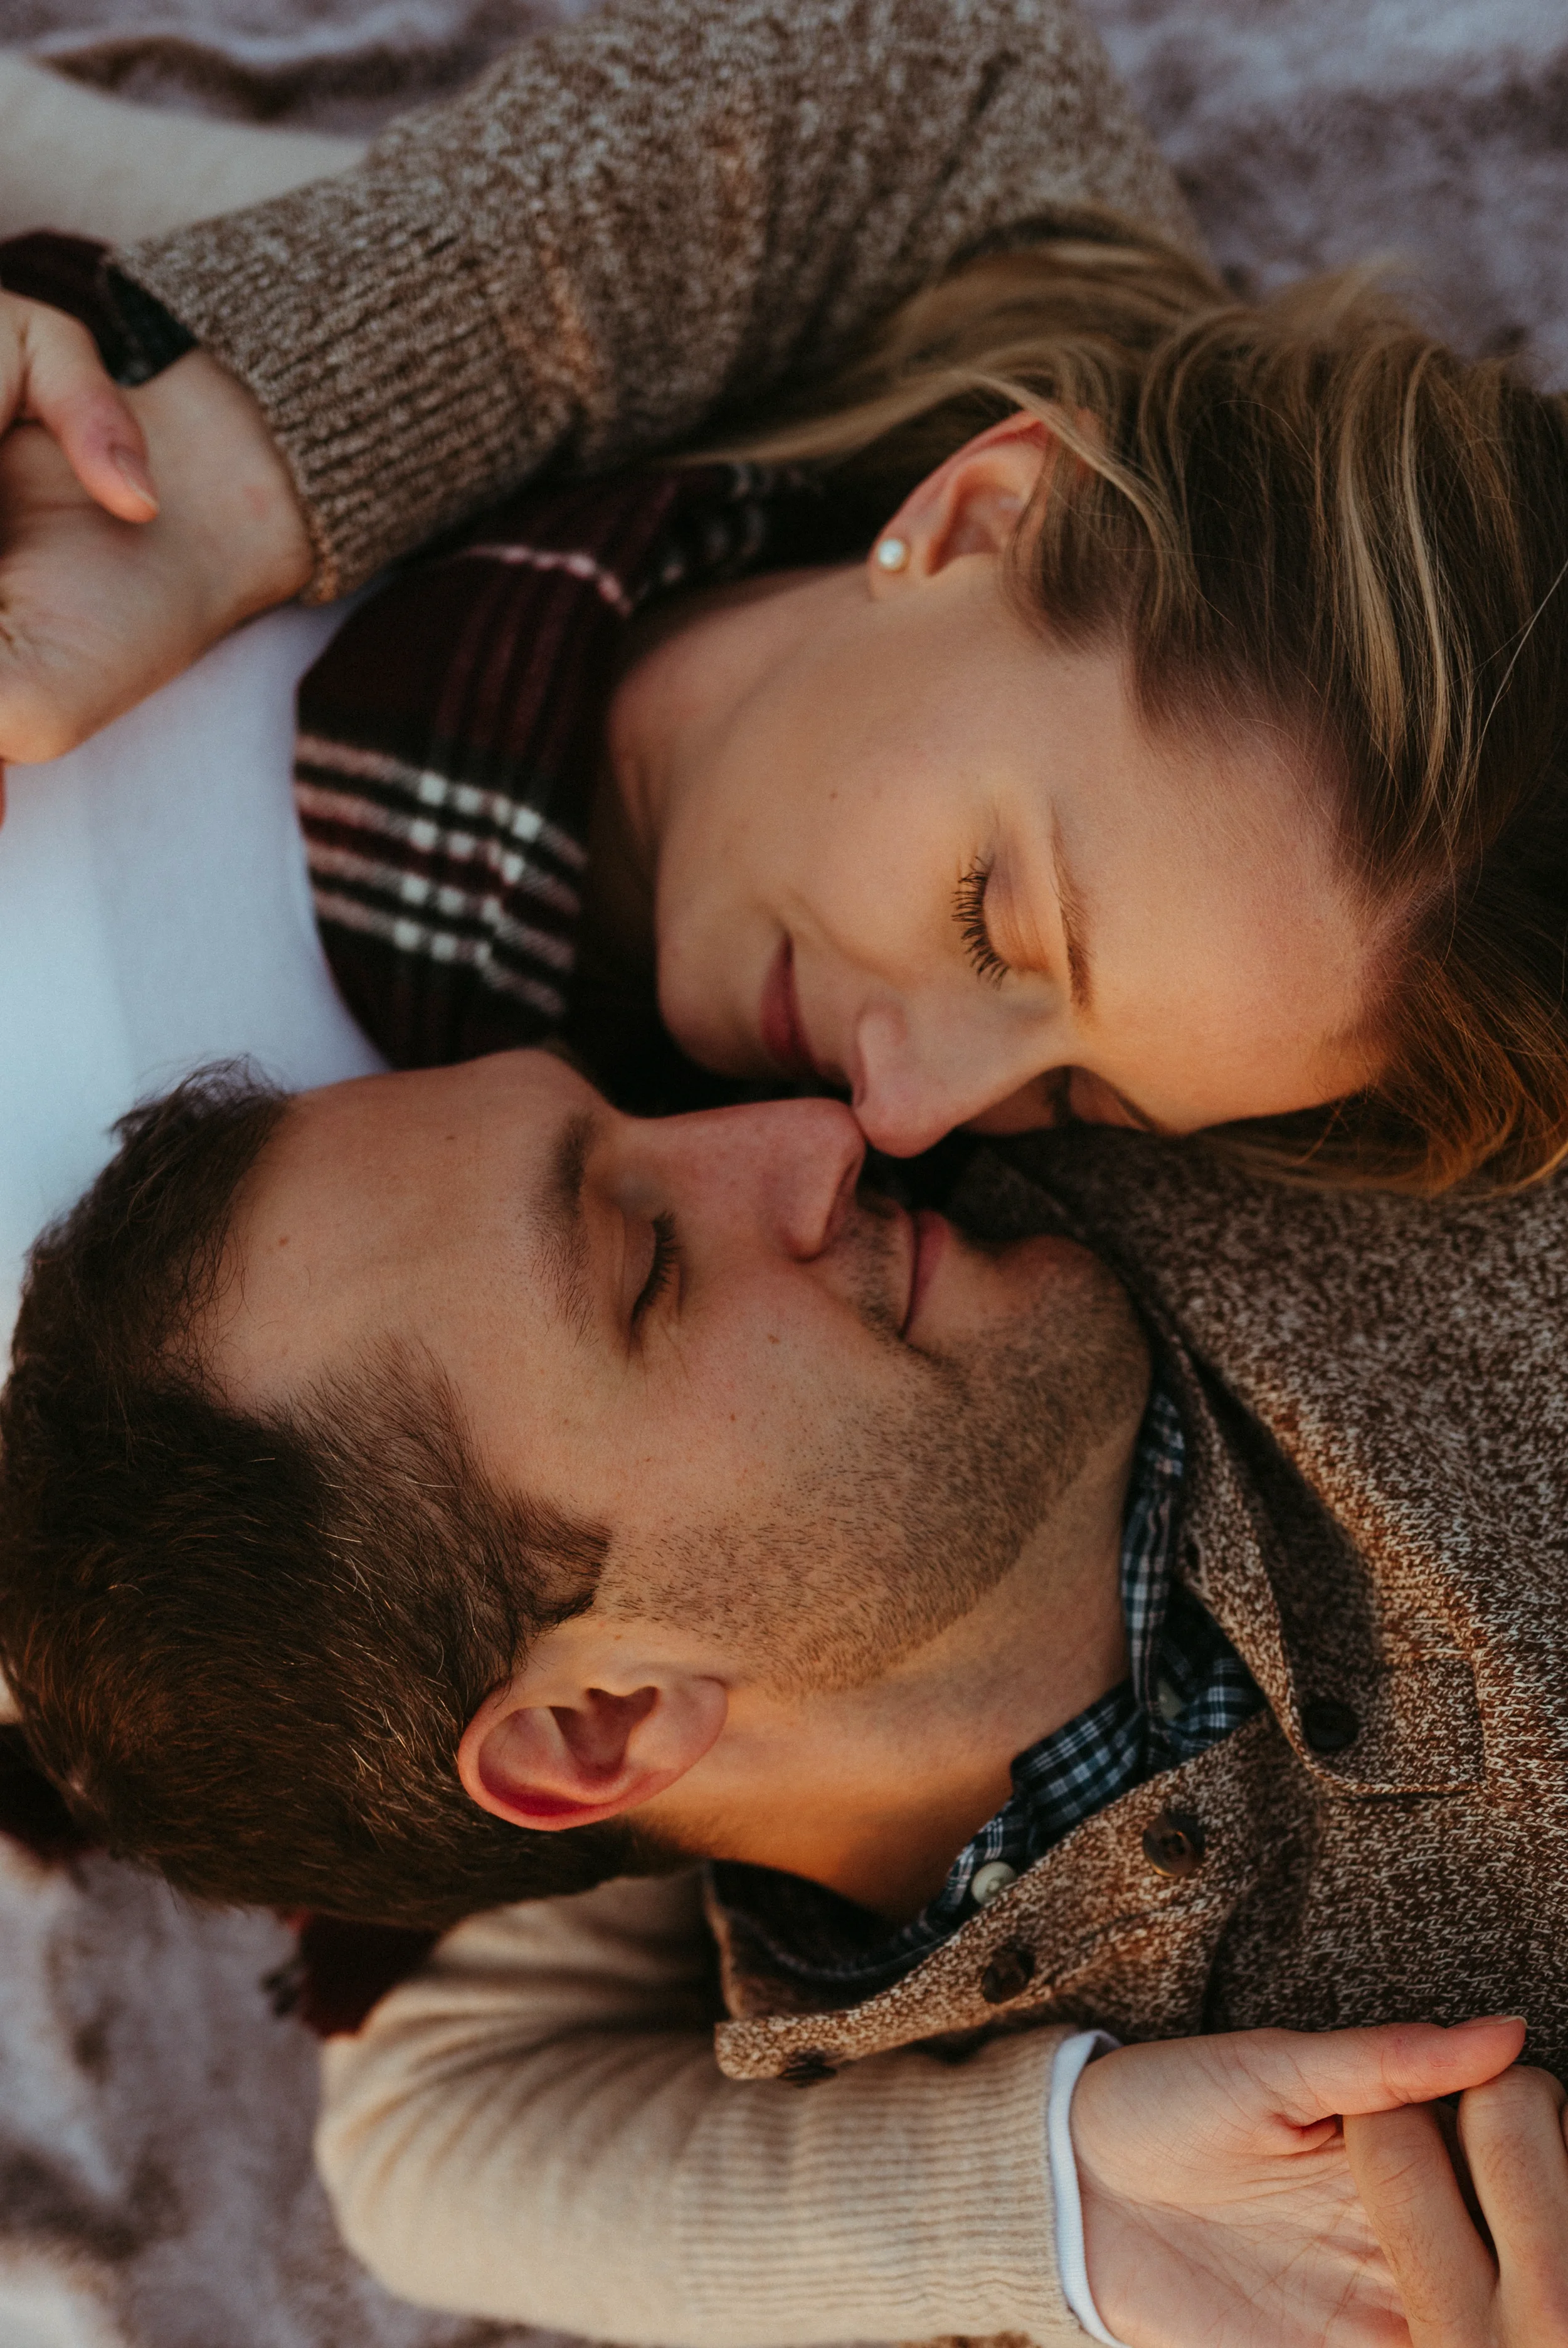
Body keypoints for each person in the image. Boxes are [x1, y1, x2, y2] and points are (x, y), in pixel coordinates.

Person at [1, 1047, 1565, 2345]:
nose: (819, 1129)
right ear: (597, 1725)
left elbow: (433, 2131)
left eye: (632, 1109)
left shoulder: (1143, 1066)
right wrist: (1068, 2215)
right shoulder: (1306, 2240)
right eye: (651, 1272)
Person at [4, 0, 1568, 1185]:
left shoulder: (740, 1248)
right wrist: (219, 479)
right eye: (989, 915)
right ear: (969, 518)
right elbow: (941, 61)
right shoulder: (948, 271)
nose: (903, 1109)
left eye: (1085, 1097)